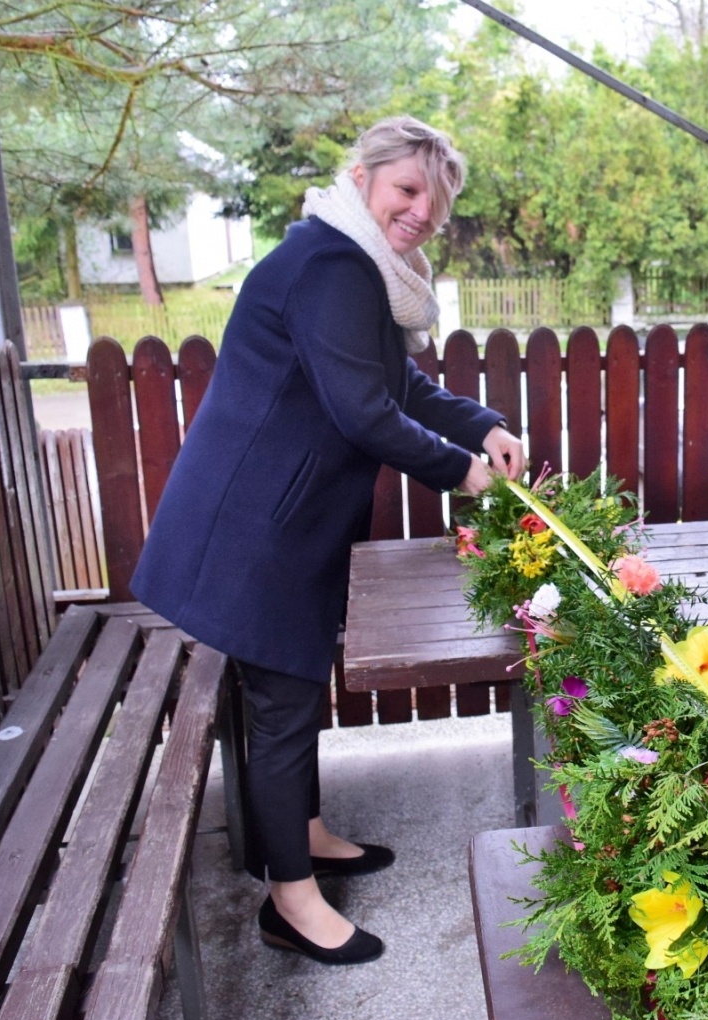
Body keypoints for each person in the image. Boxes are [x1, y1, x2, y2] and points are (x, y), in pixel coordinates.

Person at [132, 117, 525, 965]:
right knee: (281, 703)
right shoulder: (332, 265)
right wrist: (464, 472)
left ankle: (301, 831)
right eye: (407, 189)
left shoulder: (356, 264)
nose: (421, 213)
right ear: (362, 178)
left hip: (287, 520)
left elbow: (397, 383)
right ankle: (290, 899)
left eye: (435, 203)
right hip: (254, 530)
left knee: (297, 685)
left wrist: (483, 423)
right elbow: (364, 413)